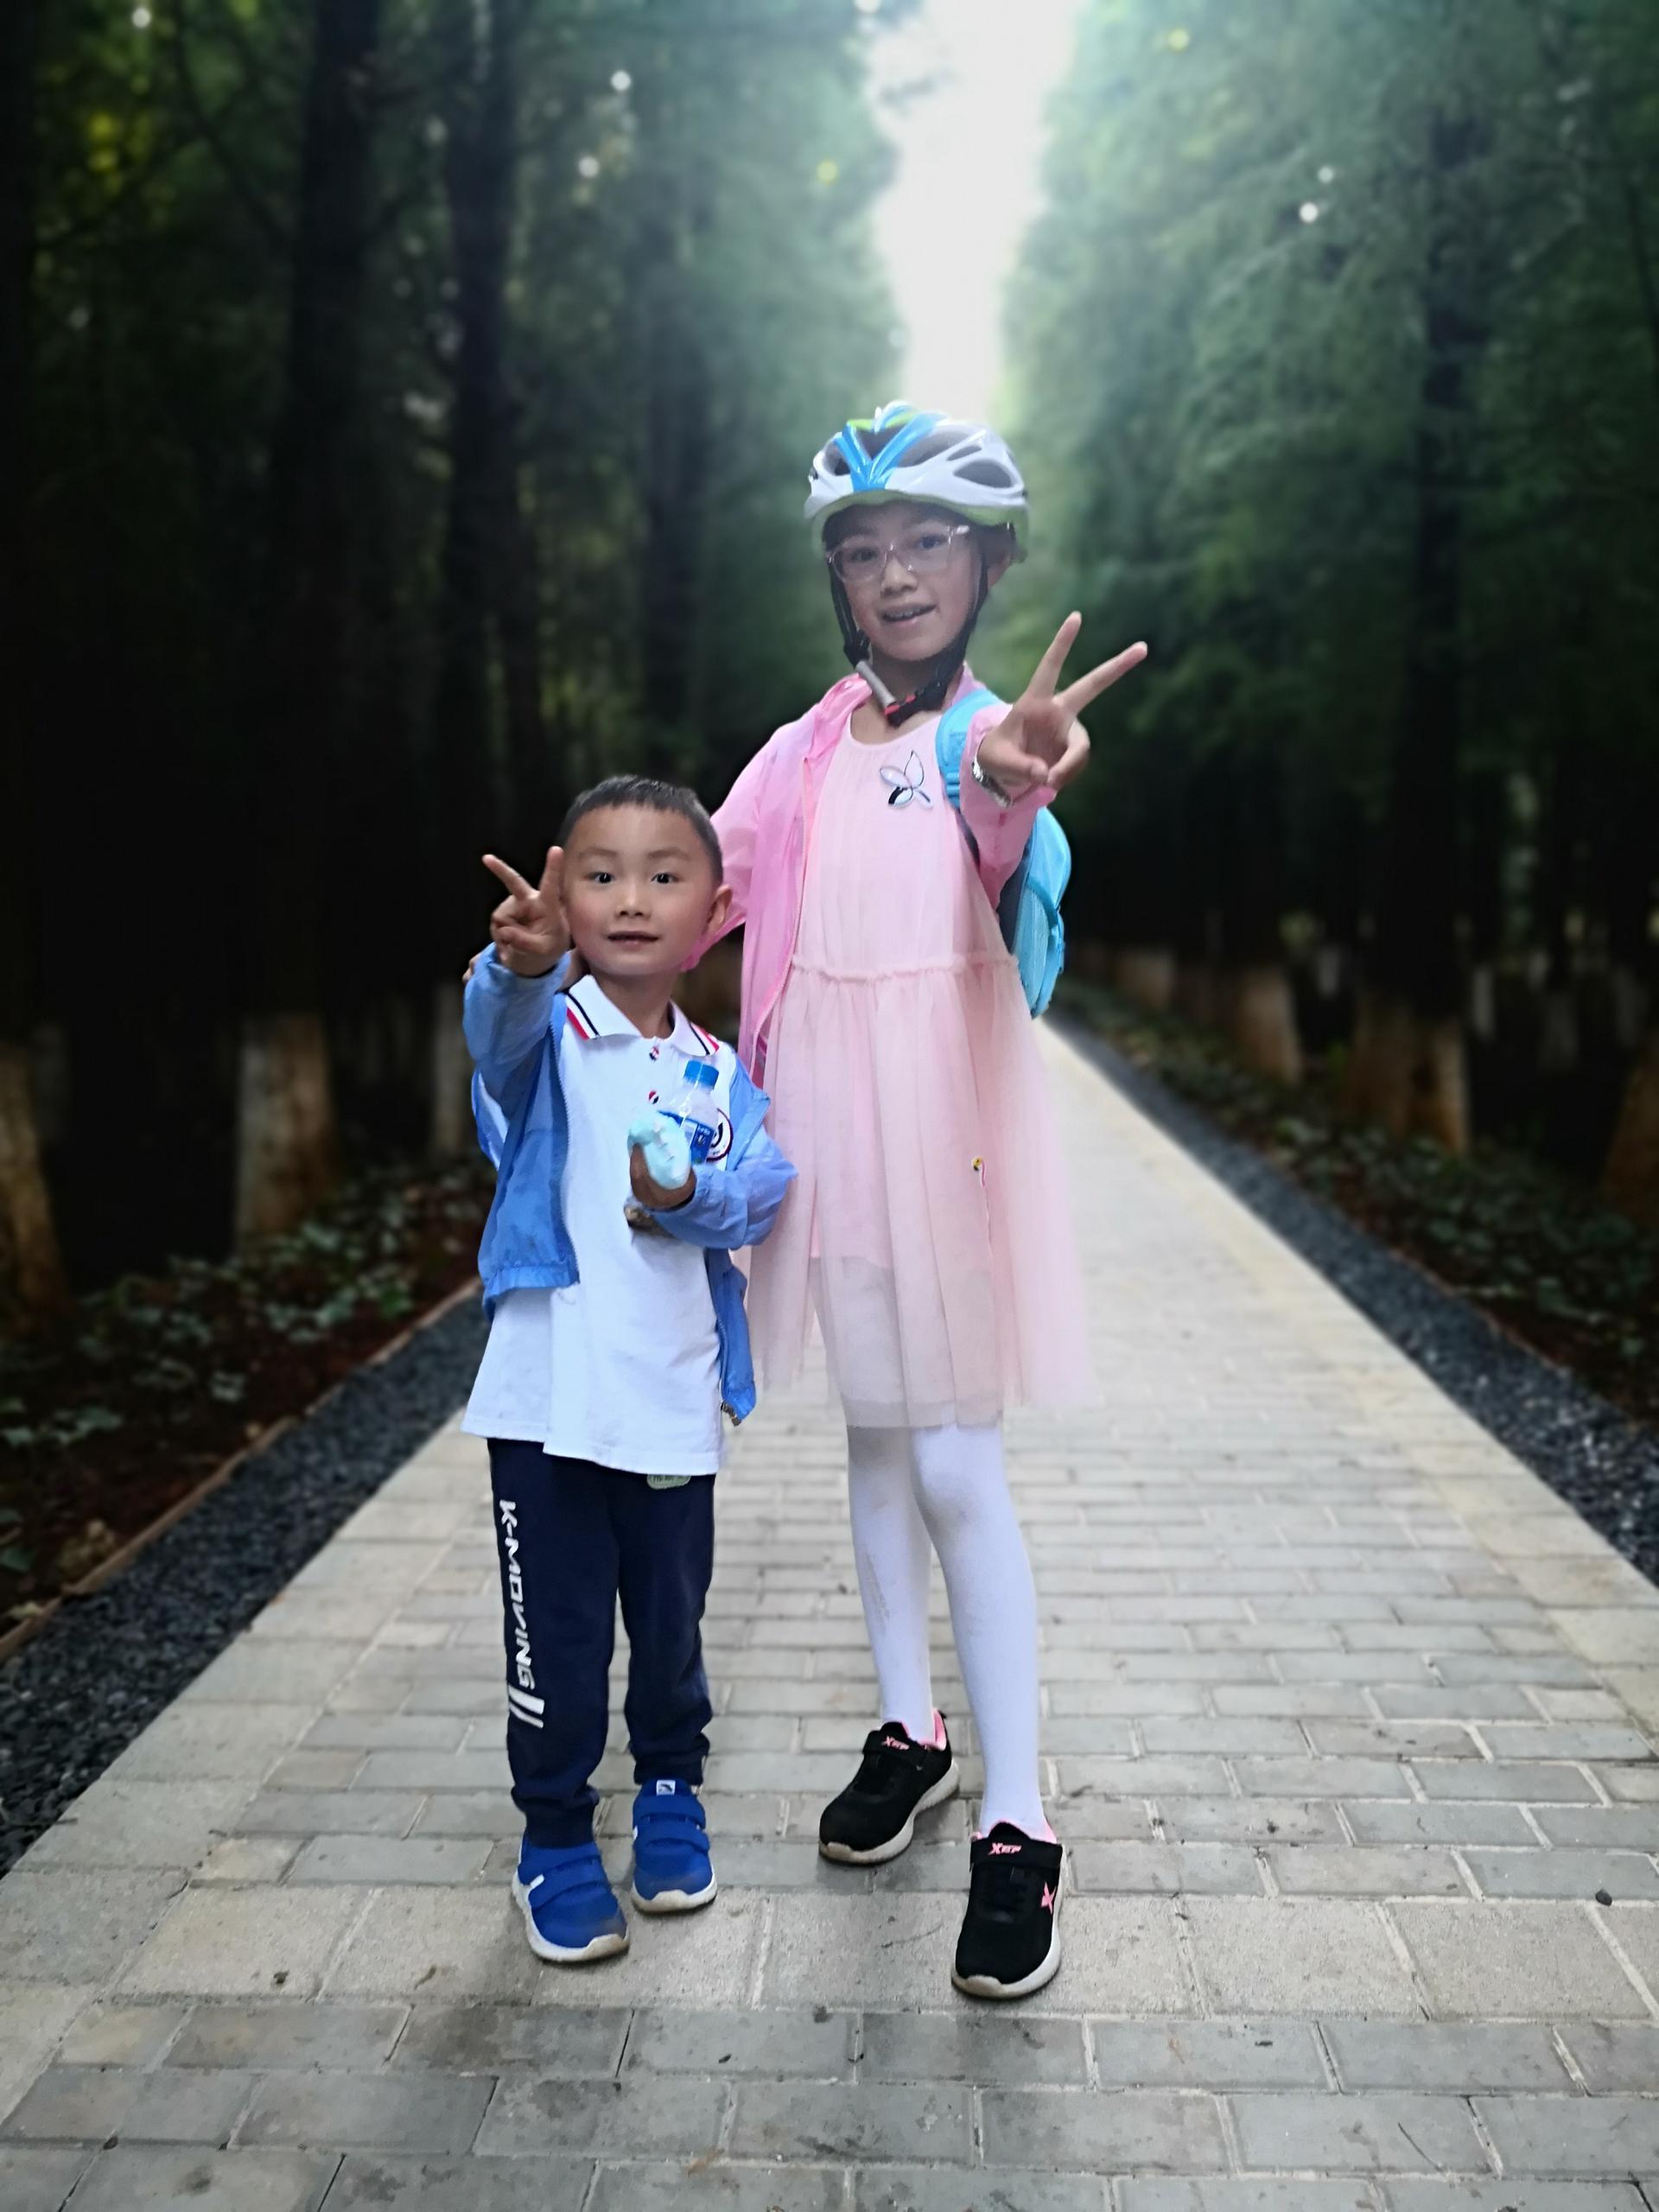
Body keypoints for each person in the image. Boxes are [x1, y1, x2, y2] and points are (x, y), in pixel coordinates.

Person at [708, 403, 1147, 1999]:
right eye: (864, 550)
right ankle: (912, 1728)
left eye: (930, 543)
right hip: (829, 1131)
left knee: (959, 1463)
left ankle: (1021, 1820)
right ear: (837, 576)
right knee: (877, 1447)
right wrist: (576, 919)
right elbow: (705, 881)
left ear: (989, 564)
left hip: (948, 1138)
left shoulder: (981, 741)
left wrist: (1016, 780)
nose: (894, 575)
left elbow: (1010, 844)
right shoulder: (802, 751)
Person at [461, 776, 793, 1965]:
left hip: (668, 1406)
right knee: (553, 1638)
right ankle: (554, 1837)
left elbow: (759, 1192)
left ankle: (669, 1792)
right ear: (565, 900)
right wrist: (518, 970)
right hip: (544, 1407)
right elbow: (493, 1041)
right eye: (601, 876)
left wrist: (686, 1194)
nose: (633, 900)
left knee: (669, 1623)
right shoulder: (545, 1037)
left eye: (665, 876)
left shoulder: (721, 1073)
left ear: (716, 909)